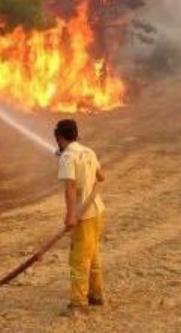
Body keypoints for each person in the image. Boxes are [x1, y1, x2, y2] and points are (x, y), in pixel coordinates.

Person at [55, 119, 106, 316]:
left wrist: (70, 216)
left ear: (59, 137)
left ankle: (77, 304)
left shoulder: (68, 156)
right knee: (92, 255)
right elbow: (101, 176)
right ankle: (96, 295)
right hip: (97, 211)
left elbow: (70, 187)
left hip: (83, 217)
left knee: (78, 259)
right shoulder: (88, 151)